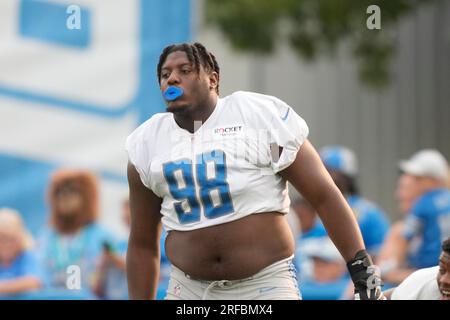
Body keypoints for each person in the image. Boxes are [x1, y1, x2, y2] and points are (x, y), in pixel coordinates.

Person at [125, 42, 384, 300]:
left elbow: (324, 196)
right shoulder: (148, 143)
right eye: (165, 74)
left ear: (213, 79)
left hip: (264, 285)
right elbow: (142, 243)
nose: (172, 79)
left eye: (185, 70)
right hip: (190, 291)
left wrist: (362, 271)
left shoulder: (256, 118)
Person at [37, 169, 118, 299]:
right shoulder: (45, 236)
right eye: (59, 192)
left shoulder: (103, 236)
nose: (64, 196)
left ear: (87, 197)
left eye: (72, 191)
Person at [381, 150, 450, 284]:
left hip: (432, 271)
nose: (412, 181)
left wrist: (387, 271)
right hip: (443, 269)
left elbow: (405, 237)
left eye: (418, 178)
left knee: (385, 279)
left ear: (434, 181)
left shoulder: (424, 203)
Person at [319, 146, 390, 259]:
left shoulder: (369, 214)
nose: (318, 176)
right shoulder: (303, 210)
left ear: (346, 178)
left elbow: (380, 255)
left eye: (328, 171)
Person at [0, 208, 43, 297]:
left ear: (21, 238)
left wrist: (3, 287)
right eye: (2, 239)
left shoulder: (27, 257)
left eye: (11, 239)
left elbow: (34, 282)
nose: (6, 244)